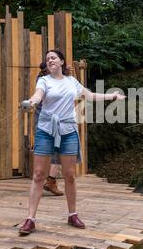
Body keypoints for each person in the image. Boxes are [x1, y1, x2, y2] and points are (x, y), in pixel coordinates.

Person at [19, 49, 125, 235]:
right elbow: (38, 95)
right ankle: (30, 219)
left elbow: (90, 96)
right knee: (38, 175)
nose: (50, 60)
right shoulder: (44, 81)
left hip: (68, 131)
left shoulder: (71, 82)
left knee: (69, 175)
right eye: (47, 59)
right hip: (46, 130)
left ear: (61, 61)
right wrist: (31, 101)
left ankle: (72, 214)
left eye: (53, 58)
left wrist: (113, 96)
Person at [34, 62, 63, 196]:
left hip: (48, 120)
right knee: (55, 151)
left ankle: (49, 181)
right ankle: (49, 181)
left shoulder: (45, 79)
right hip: (48, 121)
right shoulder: (44, 81)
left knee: (53, 151)